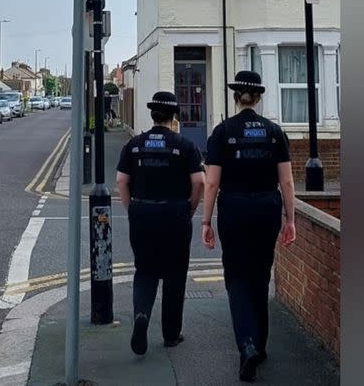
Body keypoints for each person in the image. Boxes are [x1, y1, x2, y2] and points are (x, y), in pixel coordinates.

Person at [201, 70, 297, 382]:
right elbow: (286, 181)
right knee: (260, 274)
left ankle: (248, 345)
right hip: (268, 208)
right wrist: (291, 219)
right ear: (257, 98)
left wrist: (206, 221)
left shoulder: (223, 132)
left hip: (235, 209)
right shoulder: (274, 132)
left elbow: (212, 182)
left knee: (237, 277)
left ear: (235, 97)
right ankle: (261, 344)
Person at [116, 91, 205, 356]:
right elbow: (200, 181)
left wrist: (131, 207)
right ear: (173, 116)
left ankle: (142, 314)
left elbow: (121, 180)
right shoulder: (185, 146)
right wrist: (190, 207)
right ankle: (170, 334)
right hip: (175, 213)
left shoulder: (134, 145)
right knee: (175, 274)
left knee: (145, 270)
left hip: (142, 212)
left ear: (152, 114)